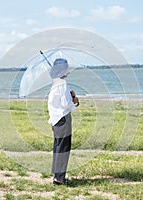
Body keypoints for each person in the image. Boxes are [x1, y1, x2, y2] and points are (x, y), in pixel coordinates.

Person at [48, 58, 79, 186]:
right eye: (67, 67)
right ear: (63, 69)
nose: (68, 69)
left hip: (55, 119)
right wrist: (74, 102)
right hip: (63, 119)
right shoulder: (62, 84)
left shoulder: (56, 83)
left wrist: (70, 97)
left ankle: (57, 176)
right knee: (64, 148)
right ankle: (60, 178)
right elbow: (66, 104)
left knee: (58, 147)